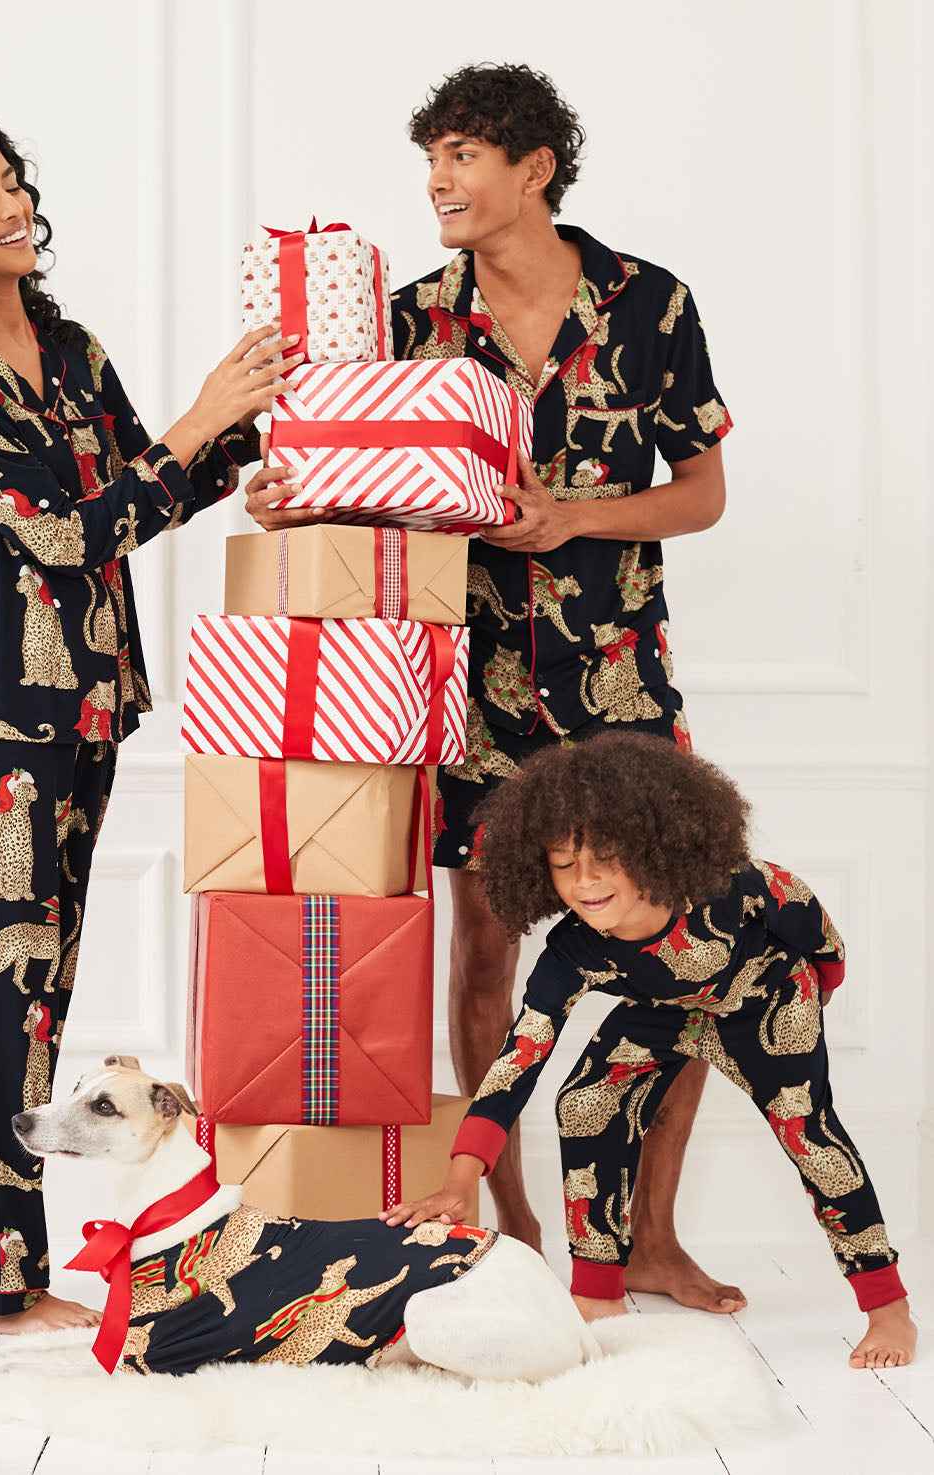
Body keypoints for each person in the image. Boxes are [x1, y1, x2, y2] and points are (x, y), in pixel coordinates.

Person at [0, 117, 311, 1333]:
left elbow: (140, 490)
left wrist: (241, 457)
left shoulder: (69, 348)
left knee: (27, 1001)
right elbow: (63, 534)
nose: (11, 206)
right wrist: (200, 417)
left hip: (85, 710)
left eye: (13, 183)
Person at [387, 62, 737, 1309]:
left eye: (462, 153)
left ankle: (648, 1234)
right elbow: (358, 482)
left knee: (681, 950)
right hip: (466, 689)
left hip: (619, 683)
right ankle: (515, 1222)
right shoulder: (412, 319)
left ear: (534, 168)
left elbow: (701, 491)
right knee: (485, 948)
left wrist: (575, 517)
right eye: (430, 157)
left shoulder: (650, 303)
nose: (438, 179)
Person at [382, 732, 917, 1371]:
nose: (585, 881)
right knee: (585, 1103)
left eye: (606, 858)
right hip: (664, 1014)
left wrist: (819, 988)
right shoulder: (573, 951)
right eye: (564, 863)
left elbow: (807, 917)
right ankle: (597, 1296)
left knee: (810, 1135)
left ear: (650, 847)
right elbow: (519, 1059)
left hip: (763, 1001)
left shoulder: (727, 888)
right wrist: (460, 1177)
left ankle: (889, 1308)